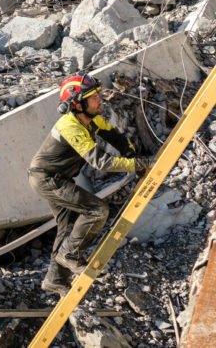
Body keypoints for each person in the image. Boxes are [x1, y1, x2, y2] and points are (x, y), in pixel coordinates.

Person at [28, 73, 154, 294]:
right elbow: (101, 162)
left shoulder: (92, 118)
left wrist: (131, 154)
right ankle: (70, 255)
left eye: (97, 95)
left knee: (67, 227)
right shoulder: (70, 126)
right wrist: (138, 164)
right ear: (77, 104)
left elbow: (114, 136)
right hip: (47, 179)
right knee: (96, 210)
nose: (100, 100)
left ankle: (54, 280)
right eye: (94, 97)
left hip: (56, 178)